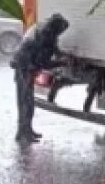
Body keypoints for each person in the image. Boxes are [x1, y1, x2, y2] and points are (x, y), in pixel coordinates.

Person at [10, 13, 71, 144]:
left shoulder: (46, 30)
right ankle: (23, 133)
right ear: (56, 28)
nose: (61, 34)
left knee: (27, 102)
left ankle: (26, 131)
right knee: (26, 102)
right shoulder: (45, 36)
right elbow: (44, 63)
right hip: (24, 67)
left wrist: (64, 55)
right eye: (61, 31)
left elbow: (55, 50)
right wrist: (63, 63)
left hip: (26, 65)